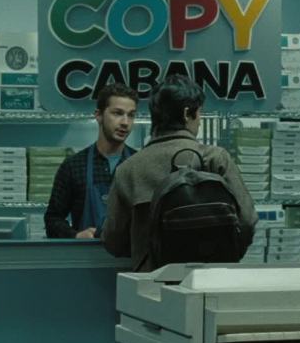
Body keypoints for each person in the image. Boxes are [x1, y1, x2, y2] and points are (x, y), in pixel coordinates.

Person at [102, 74, 258, 271]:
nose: (199, 122)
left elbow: (113, 241)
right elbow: (247, 221)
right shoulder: (215, 159)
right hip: (209, 278)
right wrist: (224, 256)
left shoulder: (128, 169)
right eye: (199, 114)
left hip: (150, 281)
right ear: (186, 114)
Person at [44, 83, 139, 239]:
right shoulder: (73, 166)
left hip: (127, 253)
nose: (125, 122)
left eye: (131, 115)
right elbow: (52, 219)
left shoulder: (139, 165)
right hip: (85, 252)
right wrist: (76, 236)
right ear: (99, 115)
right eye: (117, 113)